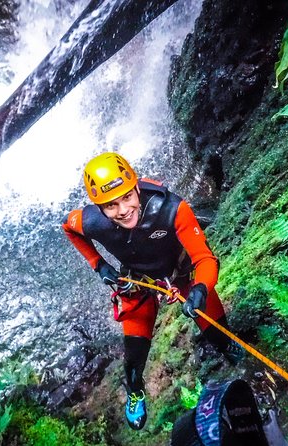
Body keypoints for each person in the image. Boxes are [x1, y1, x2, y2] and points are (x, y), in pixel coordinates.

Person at [62, 152, 242, 431]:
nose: (122, 210)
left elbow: (204, 259)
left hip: (179, 276)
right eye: (111, 205)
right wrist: (98, 264)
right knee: (134, 356)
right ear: (99, 208)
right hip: (138, 283)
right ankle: (135, 391)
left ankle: (227, 346)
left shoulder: (171, 209)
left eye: (126, 197)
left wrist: (201, 289)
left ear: (136, 188)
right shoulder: (91, 221)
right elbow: (68, 227)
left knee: (215, 325)